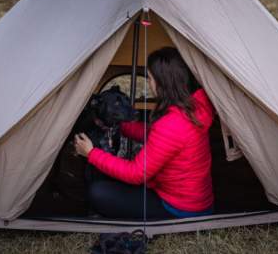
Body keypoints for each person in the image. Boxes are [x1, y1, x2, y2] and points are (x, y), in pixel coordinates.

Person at [74, 47, 215, 220]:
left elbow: (135, 173)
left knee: (98, 192)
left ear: (163, 82)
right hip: (198, 201)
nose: (148, 82)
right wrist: (122, 127)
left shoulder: (171, 125)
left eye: (150, 77)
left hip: (180, 209)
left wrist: (91, 153)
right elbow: (157, 136)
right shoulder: (196, 107)